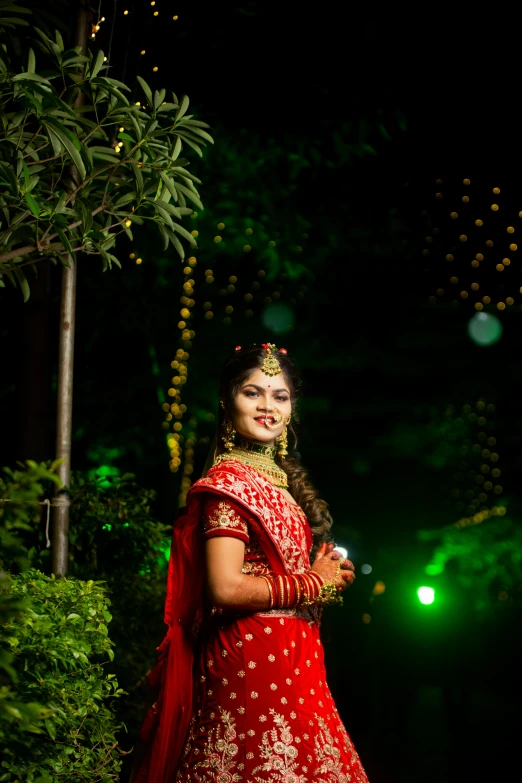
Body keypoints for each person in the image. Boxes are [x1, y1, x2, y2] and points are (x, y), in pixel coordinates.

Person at [134, 343, 369, 783]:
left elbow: (292, 576)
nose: (267, 407)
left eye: (279, 396)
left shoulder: (278, 484)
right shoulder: (227, 484)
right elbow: (224, 587)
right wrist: (310, 584)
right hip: (248, 661)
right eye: (252, 393)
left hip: (297, 659)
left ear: (292, 408)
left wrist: (327, 578)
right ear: (227, 402)